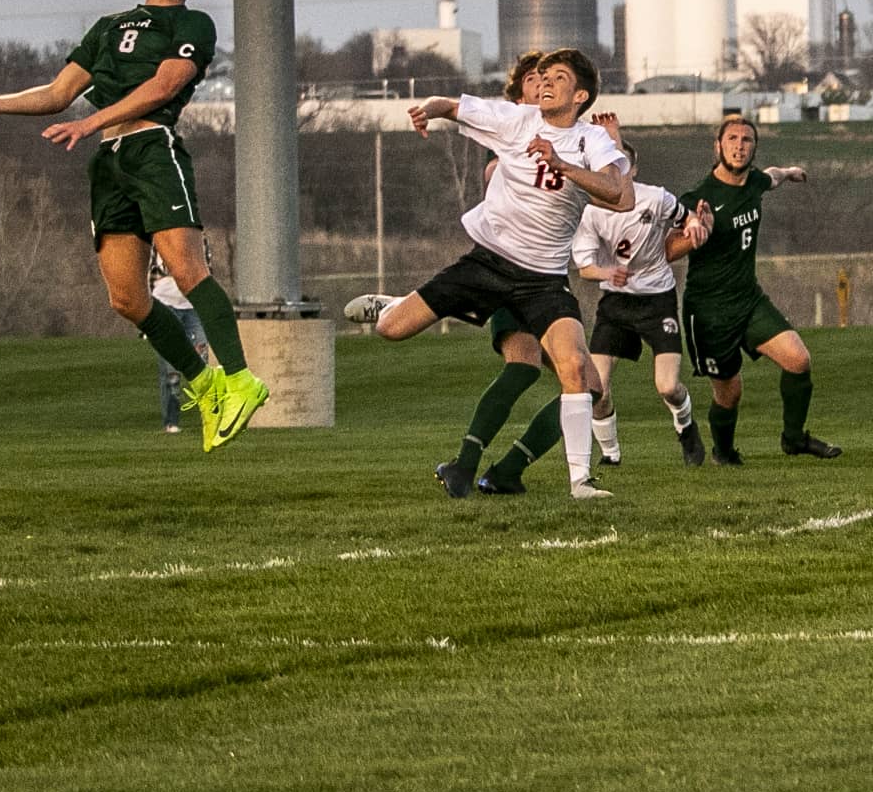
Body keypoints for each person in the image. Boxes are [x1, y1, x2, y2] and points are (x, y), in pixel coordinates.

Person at [0, 0, 269, 451]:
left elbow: (166, 85)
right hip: (109, 162)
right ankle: (206, 386)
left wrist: (92, 120)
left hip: (152, 147)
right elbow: (58, 94)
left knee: (187, 268)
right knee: (126, 296)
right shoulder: (106, 29)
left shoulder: (192, 24)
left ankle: (240, 379)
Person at [345, 48, 633, 502]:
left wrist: (563, 164)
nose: (546, 83)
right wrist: (429, 111)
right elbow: (454, 106)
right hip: (488, 264)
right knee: (391, 330)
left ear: (580, 95)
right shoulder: (517, 120)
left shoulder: (590, 141)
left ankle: (580, 482)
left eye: (559, 77)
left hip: (543, 281)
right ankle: (394, 304)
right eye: (543, 77)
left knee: (579, 370)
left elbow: (619, 193)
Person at [677, 114, 842, 464]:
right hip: (708, 312)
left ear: (754, 148)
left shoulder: (754, 182)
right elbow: (667, 248)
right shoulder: (698, 198)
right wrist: (694, 234)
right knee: (729, 394)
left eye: (746, 140)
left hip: (749, 300)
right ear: (717, 146)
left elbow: (773, 176)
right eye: (732, 139)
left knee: (798, 359)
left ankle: (794, 439)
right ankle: (723, 452)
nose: (739, 146)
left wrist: (791, 171)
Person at [571, 141, 712, 468]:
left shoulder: (655, 197)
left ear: (633, 169)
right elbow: (585, 267)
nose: (615, 175)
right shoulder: (591, 212)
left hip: (657, 299)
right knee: (597, 390)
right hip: (616, 303)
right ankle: (611, 455)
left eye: (622, 167)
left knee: (668, 386)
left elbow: (685, 217)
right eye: (607, 170)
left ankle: (685, 425)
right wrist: (608, 272)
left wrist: (695, 226)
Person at [150, 243, 212, 432]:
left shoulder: (198, 237)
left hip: (192, 305)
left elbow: (207, 267)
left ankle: (209, 416)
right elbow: (157, 268)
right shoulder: (157, 239)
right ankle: (171, 421)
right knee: (171, 368)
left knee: (203, 363)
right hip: (165, 303)